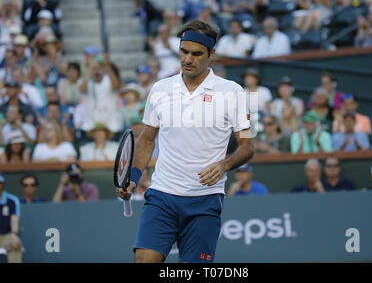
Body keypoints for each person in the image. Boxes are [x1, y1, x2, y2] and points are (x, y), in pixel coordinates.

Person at [116, 20, 254, 263]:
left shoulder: (233, 92)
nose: (188, 59)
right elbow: (147, 140)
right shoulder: (160, 89)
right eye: (184, 51)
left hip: (205, 200)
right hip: (162, 196)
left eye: (197, 54)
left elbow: (247, 147)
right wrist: (134, 178)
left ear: (211, 54)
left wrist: (223, 165)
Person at [77, 55, 122, 133]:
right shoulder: (85, 81)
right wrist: (88, 72)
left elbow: (116, 86)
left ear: (104, 69)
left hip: (110, 126)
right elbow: (82, 89)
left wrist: (107, 68)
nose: (97, 71)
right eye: (94, 68)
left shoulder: (109, 80)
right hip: (90, 126)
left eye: (99, 68)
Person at [0, 173, 22, 263]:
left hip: (6, 236)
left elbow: (14, 219)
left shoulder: (12, 200)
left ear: (3, 184)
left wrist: (14, 234)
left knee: (16, 243)